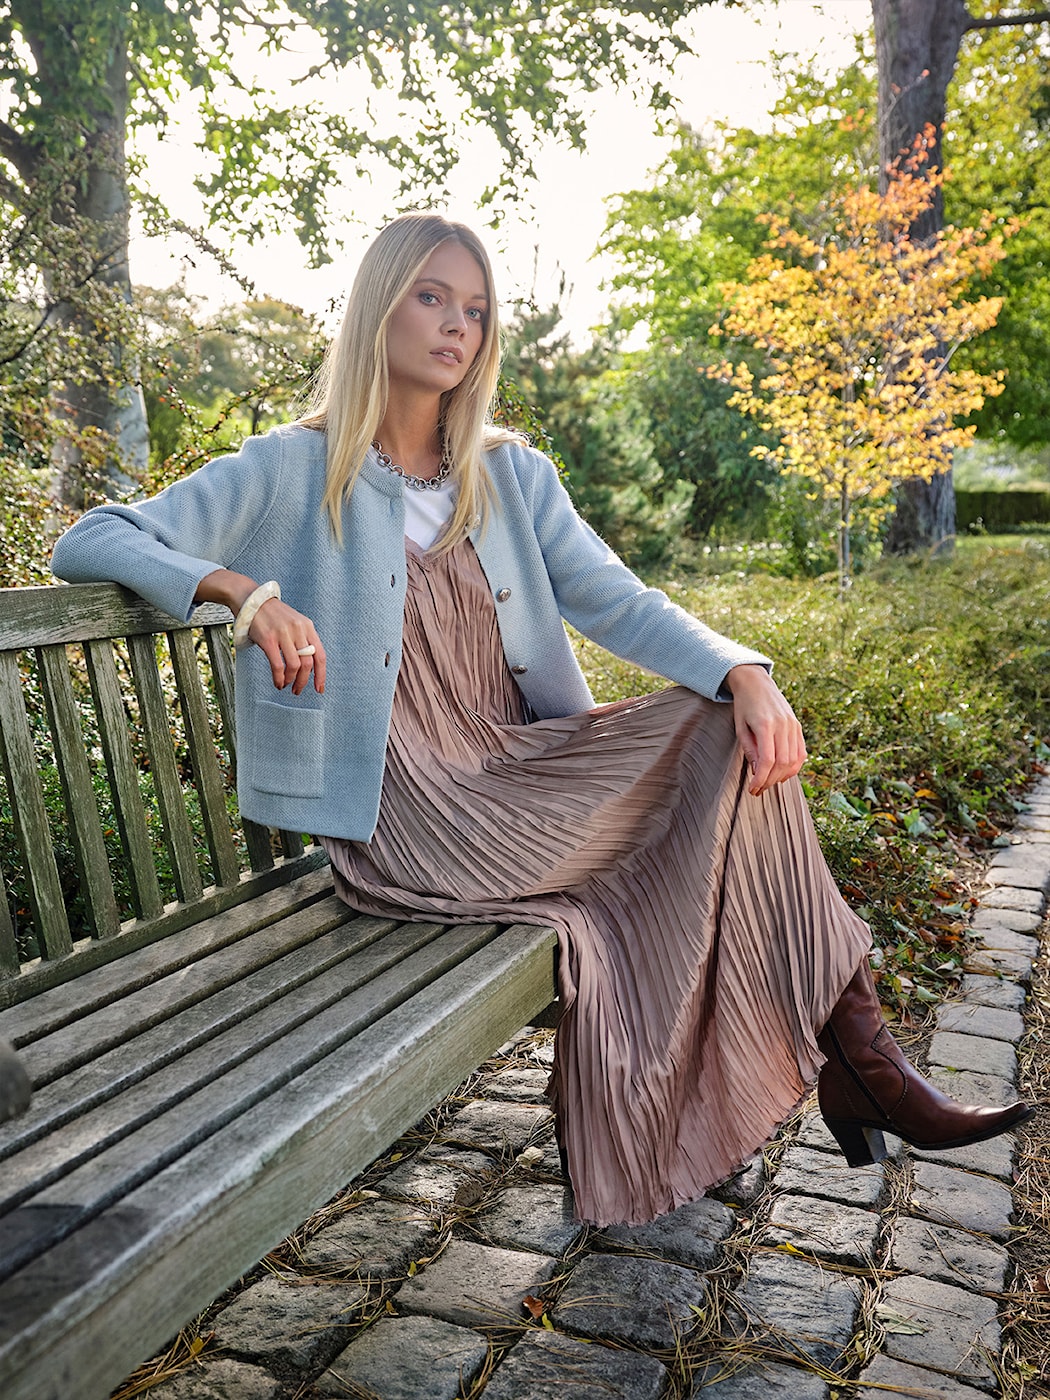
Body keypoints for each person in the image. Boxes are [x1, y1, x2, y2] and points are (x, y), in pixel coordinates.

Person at [51, 212, 1033, 1227]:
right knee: (701, 786)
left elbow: (619, 600)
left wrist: (744, 669)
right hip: (416, 816)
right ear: (378, 306)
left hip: (517, 775)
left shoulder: (508, 475)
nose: (457, 326)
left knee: (721, 727)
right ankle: (863, 1070)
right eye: (432, 297)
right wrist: (240, 592)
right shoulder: (292, 469)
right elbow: (92, 537)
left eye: (476, 310)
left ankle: (864, 1060)